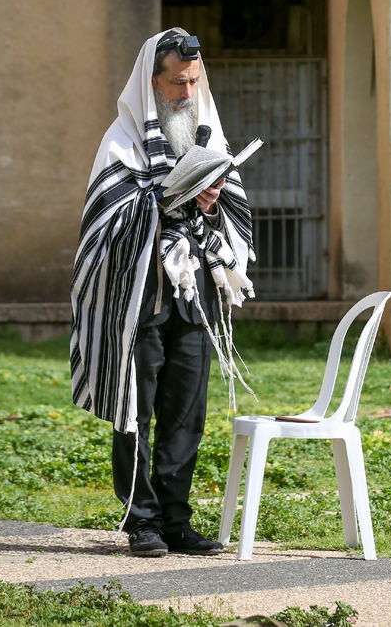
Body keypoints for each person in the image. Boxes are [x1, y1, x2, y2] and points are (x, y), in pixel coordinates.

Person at [70, 29, 255, 558]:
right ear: (151, 82)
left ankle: (176, 521)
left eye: (194, 82)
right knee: (137, 411)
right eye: (176, 82)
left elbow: (234, 215)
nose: (186, 92)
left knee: (186, 412)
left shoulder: (208, 133)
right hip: (139, 297)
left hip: (195, 294)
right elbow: (106, 221)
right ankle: (142, 522)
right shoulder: (119, 142)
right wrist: (167, 200)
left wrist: (212, 198)